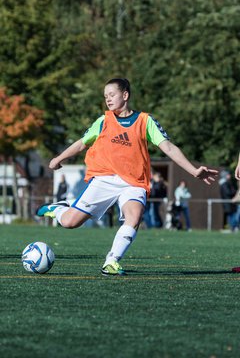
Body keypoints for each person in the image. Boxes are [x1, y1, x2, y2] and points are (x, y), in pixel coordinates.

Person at [36, 78, 218, 276]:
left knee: (134, 216)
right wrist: (59, 158)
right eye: (105, 96)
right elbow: (82, 143)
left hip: (134, 182)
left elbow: (168, 147)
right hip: (104, 178)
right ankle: (59, 209)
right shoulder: (103, 121)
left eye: (111, 95)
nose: (108, 99)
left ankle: (111, 261)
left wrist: (193, 170)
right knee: (70, 222)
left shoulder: (145, 121)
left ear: (125, 95)